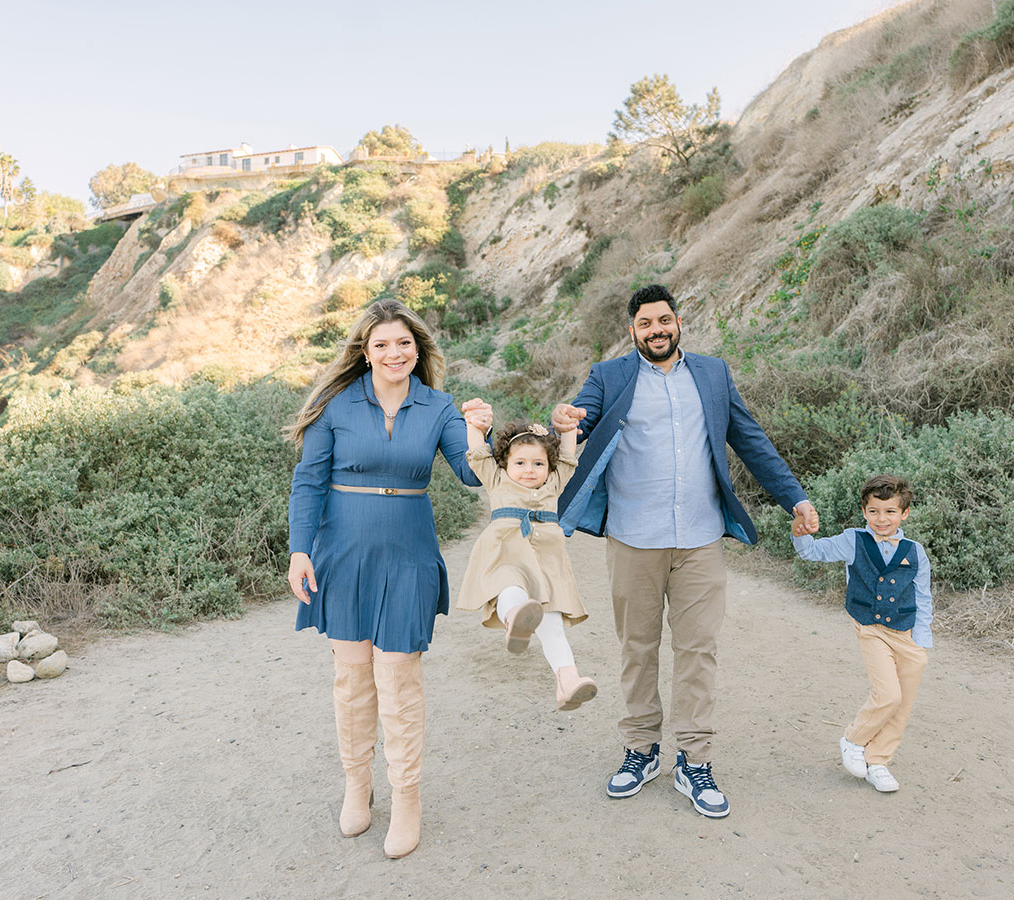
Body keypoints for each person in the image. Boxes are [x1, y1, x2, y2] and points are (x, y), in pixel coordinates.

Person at [552, 283, 819, 819]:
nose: (656, 330)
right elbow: (579, 419)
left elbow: (750, 439)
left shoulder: (713, 373)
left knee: (698, 650)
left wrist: (795, 496)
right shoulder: (610, 375)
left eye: (664, 320)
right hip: (633, 537)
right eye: (645, 323)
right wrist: (564, 421)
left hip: (700, 539)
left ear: (678, 322)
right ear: (632, 330)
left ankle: (694, 759)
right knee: (638, 648)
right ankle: (641, 749)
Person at [285, 299, 493, 859]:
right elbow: (309, 482)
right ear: (365, 351)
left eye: (404, 343)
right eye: (382, 344)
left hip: (409, 555)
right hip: (343, 554)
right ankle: (358, 785)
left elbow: (472, 476)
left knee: (399, 681)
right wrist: (300, 551)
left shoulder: (439, 406)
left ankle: (406, 797)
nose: (394, 353)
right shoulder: (334, 405)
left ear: (418, 350)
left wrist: (479, 432)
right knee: (352, 682)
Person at [790, 474, 933, 793]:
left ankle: (878, 760)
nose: (881, 519)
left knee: (903, 705)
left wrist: (922, 640)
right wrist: (799, 532)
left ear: (904, 513)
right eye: (874, 511)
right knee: (888, 695)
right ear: (864, 511)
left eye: (890, 511)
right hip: (871, 629)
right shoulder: (853, 540)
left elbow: (923, 596)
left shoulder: (915, 551)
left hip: (907, 634)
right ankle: (853, 739)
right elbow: (812, 552)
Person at [456, 420, 597, 710]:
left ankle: (567, 681)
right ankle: (515, 621)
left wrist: (570, 428)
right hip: (507, 552)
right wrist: (474, 423)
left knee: (553, 625)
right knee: (510, 588)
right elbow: (478, 453)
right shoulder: (497, 479)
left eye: (538, 464)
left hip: (546, 563)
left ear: (549, 466)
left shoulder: (554, 483)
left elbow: (568, 458)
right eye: (520, 463)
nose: (529, 470)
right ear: (505, 463)